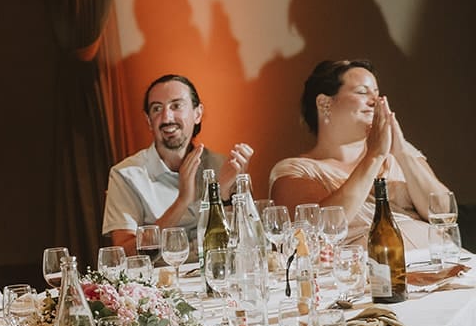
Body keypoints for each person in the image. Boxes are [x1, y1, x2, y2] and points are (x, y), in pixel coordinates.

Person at [269, 60, 453, 250]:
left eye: (376, 92)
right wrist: (374, 157)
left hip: (447, 264)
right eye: (362, 92)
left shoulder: (398, 154)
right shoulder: (296, 169)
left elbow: (443, 212)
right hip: (375, 274)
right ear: (324, 103)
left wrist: (402, 153)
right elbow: (318, 232)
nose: (376, 100)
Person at [102, 73, 254, 253]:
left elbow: (250, 243)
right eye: (157, 109)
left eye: (176, 106)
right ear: (149, 121)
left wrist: (227, 194)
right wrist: (182, 201)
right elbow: (123, 252)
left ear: (197, 114)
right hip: (158, 280)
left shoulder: (222, 166)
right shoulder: (125, 174)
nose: (167, 118)